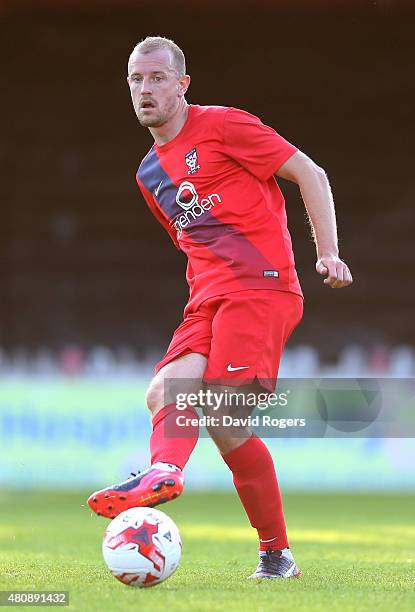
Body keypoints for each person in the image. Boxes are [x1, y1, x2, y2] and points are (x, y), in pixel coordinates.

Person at [88, 36, 353, 579]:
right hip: (206, 298)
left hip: (260, 288)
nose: (145, 90)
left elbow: (311, 173)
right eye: (136, 80)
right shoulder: (149, 175)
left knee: (218, 407)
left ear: (183, 85)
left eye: (158, 78)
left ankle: (187, 486)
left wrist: (327, 253)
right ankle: (258, 543)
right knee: (167, 392)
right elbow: (193, 242)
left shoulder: (226, 125)